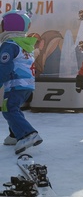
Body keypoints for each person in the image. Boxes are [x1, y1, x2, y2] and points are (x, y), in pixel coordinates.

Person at [0, 10, 42, 154]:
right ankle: (15, 134)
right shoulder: (24, 44)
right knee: (14, 109)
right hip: (27, 85)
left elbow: (4, 67)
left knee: (9, 109)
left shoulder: (9, 45)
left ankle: (28, 134)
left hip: (15, 85)